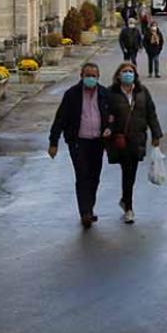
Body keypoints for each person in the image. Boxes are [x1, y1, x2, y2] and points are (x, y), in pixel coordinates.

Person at [48, 62, 113, 229]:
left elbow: (112, 117)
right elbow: (60, 118)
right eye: (87, 75)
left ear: (98, 77)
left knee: (94, 176)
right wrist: (53, 142)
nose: (90, 78)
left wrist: (109, 129)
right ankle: (85, 212)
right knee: (82, 175)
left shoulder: (105, 94)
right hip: (78, 142)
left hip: (97, 142)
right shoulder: (72, 94)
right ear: (81, 76)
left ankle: (89, 207)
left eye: (93, 75)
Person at [107, 62, 164, 224]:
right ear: (118, 75)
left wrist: (156, 133)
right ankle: (129, 207)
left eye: (131, 71)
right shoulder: (111, 93)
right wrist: (108, 129)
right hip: (119, 139)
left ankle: (126, 200)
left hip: (137, 139)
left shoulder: (142, 92)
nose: (128, 74)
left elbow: (151, 113)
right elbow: (106, 113)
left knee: (130, 173)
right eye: (124, 71)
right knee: (127, 171)